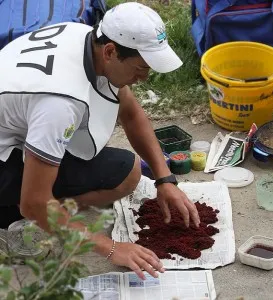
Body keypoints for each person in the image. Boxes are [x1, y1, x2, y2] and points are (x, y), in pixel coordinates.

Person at [0, 2, 200, 279]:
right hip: (5, 156)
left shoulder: (85, 37)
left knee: (128, 172)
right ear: (110, 52)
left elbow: (130, 113)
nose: (144, 77)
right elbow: (34, 201)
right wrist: (109, 247)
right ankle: (12, 219)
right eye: (141, 68)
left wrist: (165, 179)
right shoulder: (59, 104)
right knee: (36, 206)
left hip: (20, 130)